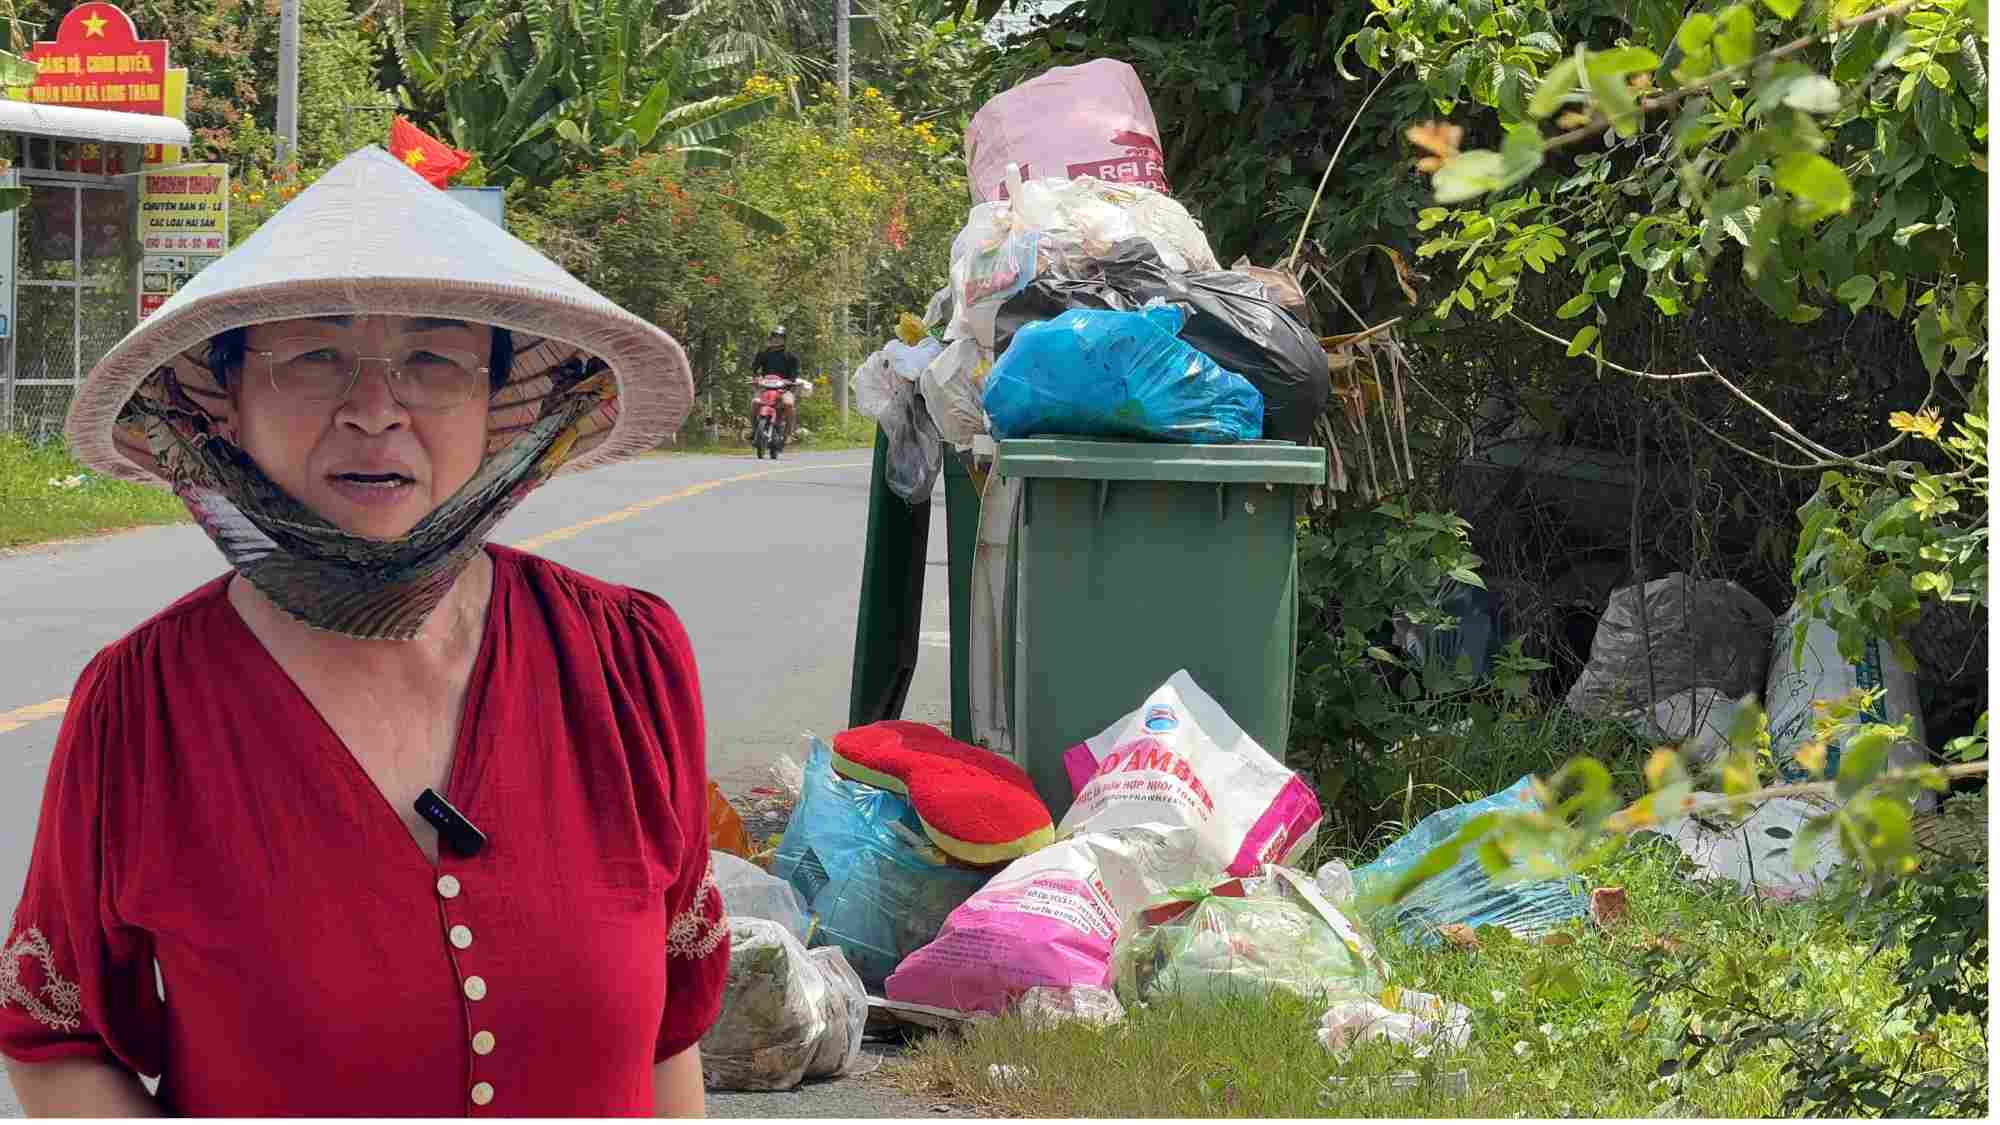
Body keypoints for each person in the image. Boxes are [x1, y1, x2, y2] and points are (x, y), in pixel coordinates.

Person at [0, 147, 728, 1116]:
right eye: (313, 357)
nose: (374, 410)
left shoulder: (624, 662)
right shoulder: (143, 707)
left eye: (433, 359)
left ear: (497, 403)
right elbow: (60, 1044)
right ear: (229, 403)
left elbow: (668, 1036)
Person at [749, 326, 801, 439]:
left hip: (784, 389)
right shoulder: (763, 354)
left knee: (789, 404)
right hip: (765, 389)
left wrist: (789, 381)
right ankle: (754, 431)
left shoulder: (791, 356)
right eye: (774, 337)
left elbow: (794, 374)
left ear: (784, 340)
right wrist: (756, 378)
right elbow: (754, 369)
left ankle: (789, 433)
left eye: (780, 337)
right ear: (770, 338)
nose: (776, 339)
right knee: (755, 403)